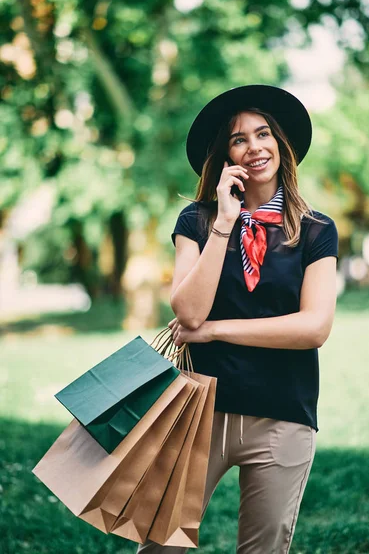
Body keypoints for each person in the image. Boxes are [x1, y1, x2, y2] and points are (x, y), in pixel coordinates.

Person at [137, 84, 339, 553]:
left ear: (280, 143)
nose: (254, 147)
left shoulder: (315, 231)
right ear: (225, 155)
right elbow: (187, 310)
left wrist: (215, 331)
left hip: (282, 412)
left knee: (263, 548)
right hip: (198, 411)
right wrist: (225, 223)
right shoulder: (198, 220)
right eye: (239, 139)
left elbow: (314, 328)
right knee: (160, 544)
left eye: (263, 133)